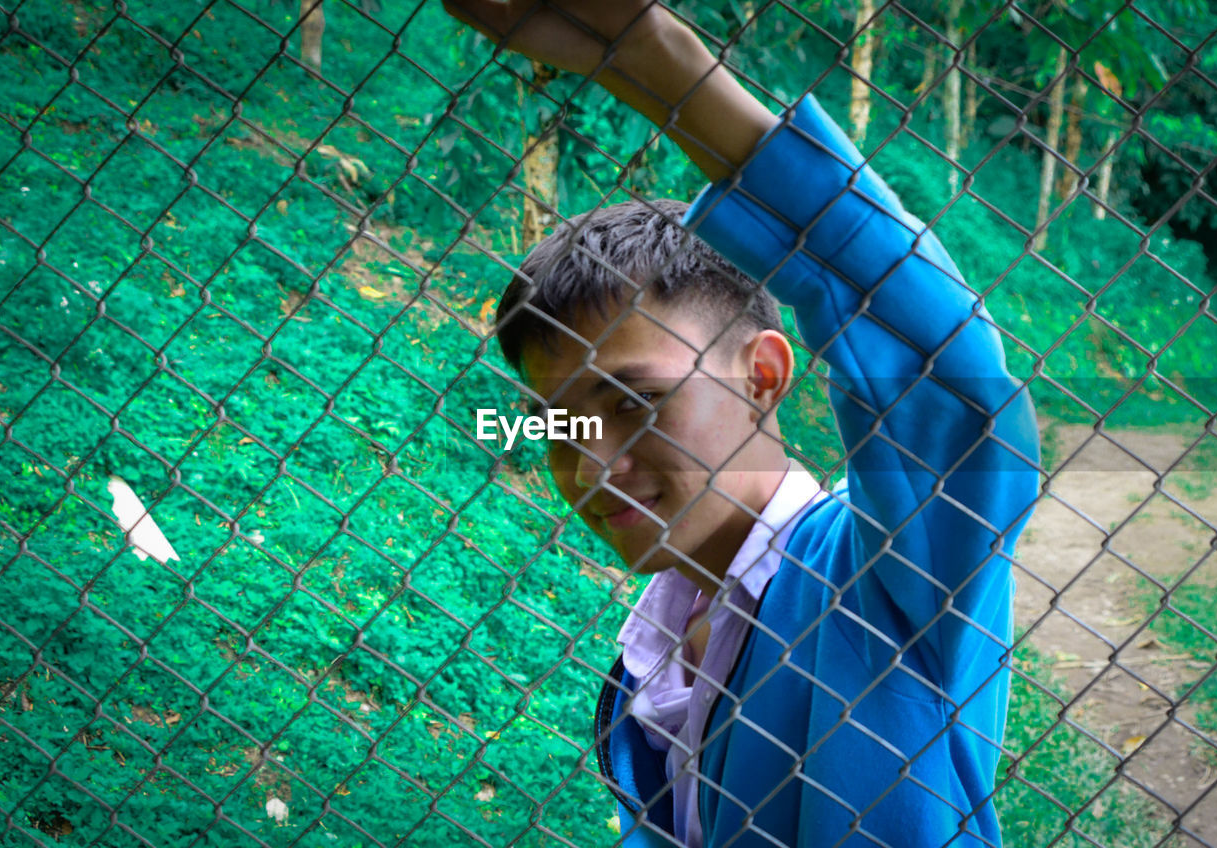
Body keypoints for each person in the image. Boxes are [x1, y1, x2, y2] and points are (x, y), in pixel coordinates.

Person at [443, 2, 1041, 846]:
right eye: (557, 423)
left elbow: (944, 375)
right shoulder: (656, 634)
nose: (593, 465)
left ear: (761, 376)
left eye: (634, 402)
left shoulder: (878, 575)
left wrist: (656, 59)